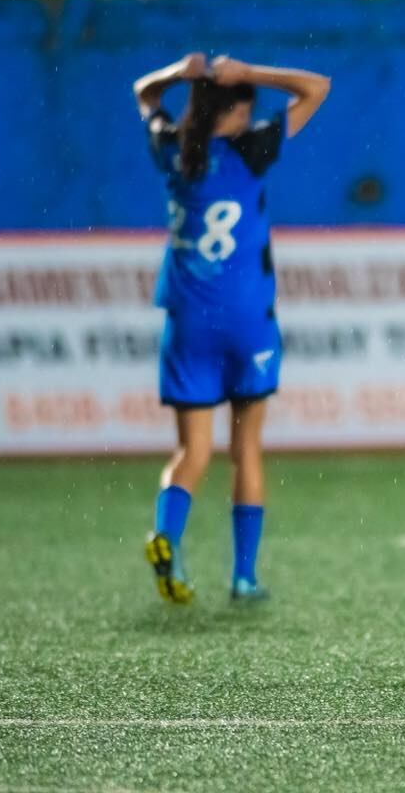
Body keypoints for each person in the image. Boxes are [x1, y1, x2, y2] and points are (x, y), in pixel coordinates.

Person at [133, 52, 330, 605]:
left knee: (191, 452)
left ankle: (166, 536)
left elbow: (143, 94)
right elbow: (317, 86)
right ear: (238, 110)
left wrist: (176, 73)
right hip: (246, 321)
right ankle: (243, 578)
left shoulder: (173, 148)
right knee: (246, 449)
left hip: (188, 321)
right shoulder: (254, 147)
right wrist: (253, 73)